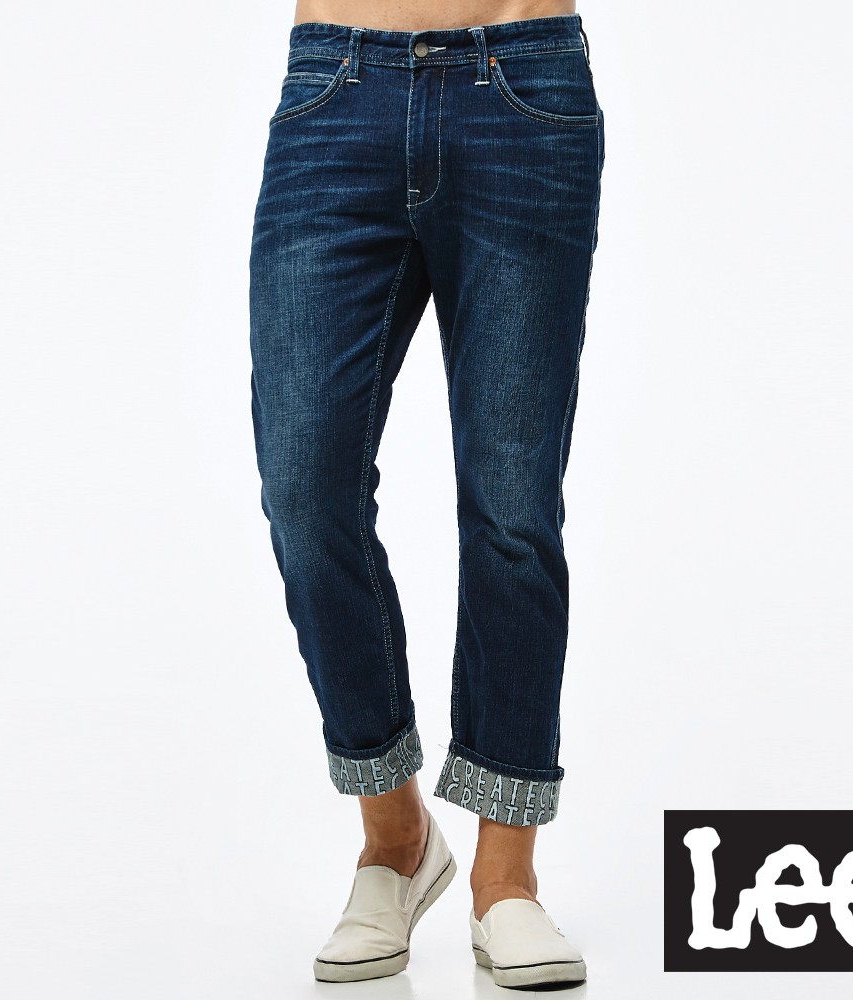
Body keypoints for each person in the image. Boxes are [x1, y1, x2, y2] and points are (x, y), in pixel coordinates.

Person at [249, 0, 603, 987]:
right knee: (304, 490)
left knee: (512, 509)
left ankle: (506, 876)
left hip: (523, 90)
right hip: (334, 95)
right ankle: (396, 836)